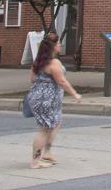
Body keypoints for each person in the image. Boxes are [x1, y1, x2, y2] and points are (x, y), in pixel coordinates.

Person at [24, 30, 81, 169]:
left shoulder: (38, 62)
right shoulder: (53, 62)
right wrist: (74, 94)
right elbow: (61, 81)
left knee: (55, 123)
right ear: (53, 47)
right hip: (47, 100)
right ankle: (35, 161)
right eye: (58, 43)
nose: (60, 45)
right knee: (44, 129)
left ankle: (47, 153)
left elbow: (32, 79)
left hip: (38, 97)